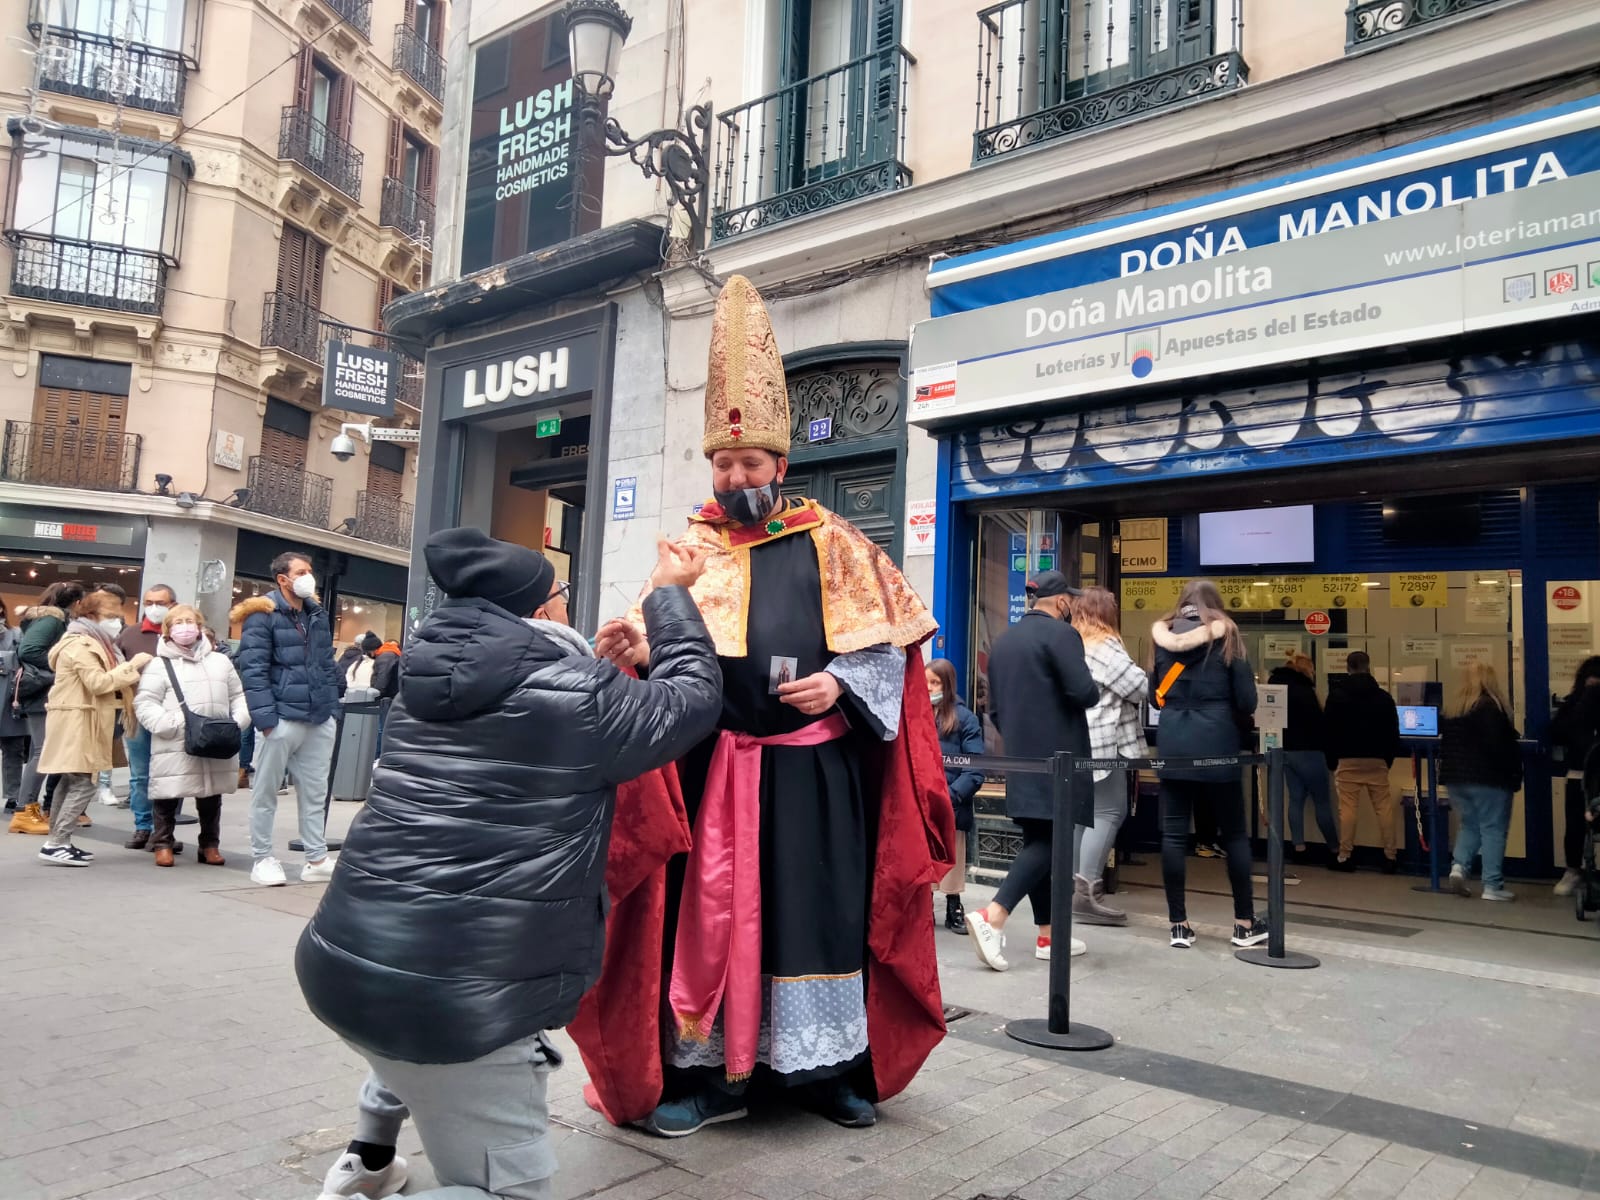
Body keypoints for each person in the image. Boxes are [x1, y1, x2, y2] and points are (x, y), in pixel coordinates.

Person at [580, 276, 954, 1138]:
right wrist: (632, 649)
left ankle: (826, 1074)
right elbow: (656, 645)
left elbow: (890, 646)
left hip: (816, 770)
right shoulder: (689, 548)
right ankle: (713, 1077)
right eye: (724, 463)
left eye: (752, 463)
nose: (737, 475)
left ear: (781, 466)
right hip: (718, 772)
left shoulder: (835, 538)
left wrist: (841, 686)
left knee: (817, 911)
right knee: (706, 920)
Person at [297, 527, 721, 1200]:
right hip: (467, 993)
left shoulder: (423, 679)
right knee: (509, 1188)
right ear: (538, 610)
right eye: (559, 594)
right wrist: (670, 598)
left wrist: (599, 671)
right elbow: (692, 702)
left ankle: (367, 1161)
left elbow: (547, 707)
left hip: (344, 957)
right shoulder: (578, 693)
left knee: (402, 1045)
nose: (564, 605)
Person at [969, 571, 1100, 969]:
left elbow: (993, 709)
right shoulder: (1062, 636)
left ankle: (1048, 935)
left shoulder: (1005, 642)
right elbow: (1084, 692)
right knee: (1052, 842)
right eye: (1070, 602)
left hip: (1020, 757)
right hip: (1059, 757)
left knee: (1038, 840)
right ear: (1061, 602)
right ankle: (994, 915)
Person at [1149, 580, 1267, 950]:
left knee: (1172, 835)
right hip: (1218, 741)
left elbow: (1156, 694)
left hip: (1173, 741)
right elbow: (1247, 701)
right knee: (1233, 834)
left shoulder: (1162, 636)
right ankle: (1244, 924)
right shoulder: (1228, 636)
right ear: (1214, 605)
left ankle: (1179, 926)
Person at [233, 551, 341, 887]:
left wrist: (332, 703)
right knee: (265, 792)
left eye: (310, 571)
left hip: (318, 716)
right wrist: (267, 720)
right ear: (283, 579)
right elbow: (253, 670)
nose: (310, 577)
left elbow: (325, 663)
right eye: (302, 571)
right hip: (281, 718)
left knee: (315, 791)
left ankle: (316, 858)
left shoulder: (316, 615)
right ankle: (263, 858)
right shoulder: (262, 615)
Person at [34, 588, 153, 865]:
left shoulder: (93, 641)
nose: (116, 622)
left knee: (71, 780)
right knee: (84, 783)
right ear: (91, 616)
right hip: (79, 720)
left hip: (82, 719)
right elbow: (98, 683)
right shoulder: (82, 645)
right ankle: (56, 842)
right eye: (111, 616)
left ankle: (58, 840)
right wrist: (133, 665)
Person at [133, 605, 250, 868]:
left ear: (199, 626)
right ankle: (163, 843)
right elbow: (145, 702)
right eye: (178, 622)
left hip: (215, 737)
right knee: (168, 792)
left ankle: (210, 844)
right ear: (168, 630)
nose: (184, 627)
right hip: (174, 740)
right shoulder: (159, 664)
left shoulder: (220, 661)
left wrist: (237, 721)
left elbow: (238, 696)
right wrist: (168, 724)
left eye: (190, 621)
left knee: (211, 794)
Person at [1070, 586, 1147, 927]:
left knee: (1080, 816)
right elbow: (1139, 687)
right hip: (1104, 744)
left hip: (1077, 741)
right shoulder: (1105, 646)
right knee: (1108, 811)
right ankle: (1086, 893)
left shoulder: (1074, 644)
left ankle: (1071, 889)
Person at [1440, 661, 1523, 902]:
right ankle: (1492, 885)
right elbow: (1498, 746)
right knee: (1493, 828)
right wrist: (1513, 774)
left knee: (1470, 824)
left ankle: (1458, 867)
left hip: (1456, 779)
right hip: (1488, 778)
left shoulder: (1455, 708)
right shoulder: (1491, 708)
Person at [9, 582, 86, 835]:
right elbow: (29, 650)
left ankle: (27, 808)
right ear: (76, 603)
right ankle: (24, 811)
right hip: (41, 691)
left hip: (42, 691)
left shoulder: (49, 618)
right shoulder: (52, 621)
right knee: (42, 752)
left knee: (42, 751)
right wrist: (62, 664)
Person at [1324, 649, 1402, 873]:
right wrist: (1387, 759)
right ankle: (1390, 856)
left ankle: (1345, 856)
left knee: (1347, 809)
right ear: (1369, 667)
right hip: (1377, 759)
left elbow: (1329, 731)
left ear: (1348, 668)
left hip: (1347, 759)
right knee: (1383, 808)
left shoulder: (1337, 696)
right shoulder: (1383, 697)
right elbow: (1392, 732)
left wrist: (1333, 761)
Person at [115, 582, 175, 848]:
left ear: (172, 604)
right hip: (137, 713)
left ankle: (163, 830)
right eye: (149, 602)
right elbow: (115, 670)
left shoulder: (183, 632)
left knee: (172, 775)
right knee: (140, 774)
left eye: (160, 603)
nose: (154, 608)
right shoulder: (130, 634)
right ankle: (142, 827)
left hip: (173, 715)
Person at [927, 658, 984, 934]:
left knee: (953, 856)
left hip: (952, 801)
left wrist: (950, 797)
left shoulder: (966, 719)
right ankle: (923, 907)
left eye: (934, 683)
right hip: (922, 801)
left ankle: (953, 907)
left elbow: (975, 769)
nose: (928, 688)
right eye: (925, 681)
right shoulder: (916, 715)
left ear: (947, 685)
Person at [1267, 653, 1339, 863]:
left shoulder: (1276, 689)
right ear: (1307, 669)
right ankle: (1334, 849)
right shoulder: (1305, 691)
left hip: (1285, 751)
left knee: (1295, 800)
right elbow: (1320, 724)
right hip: (1310, 751)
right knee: (1322, 802)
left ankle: (1298, 847)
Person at [1548, 656, 1600, 897]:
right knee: (1576, 826)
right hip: (1580, 774)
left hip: (1586, 774)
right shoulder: (1574, 705)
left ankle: (1574, 871)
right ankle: (1573, 870)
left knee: (1577, 825)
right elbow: (1558, 732)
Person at [1, 598, 30, 814]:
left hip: (10, 701)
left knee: (14, 751)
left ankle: (13, 795)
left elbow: (25, 663)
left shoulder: (16, 635)